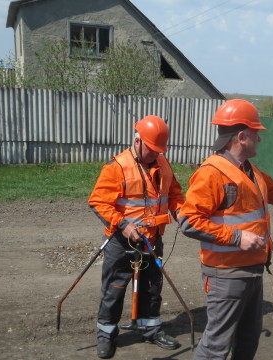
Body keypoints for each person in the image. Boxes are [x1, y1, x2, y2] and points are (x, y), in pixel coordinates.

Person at [178, 99, 273, 360]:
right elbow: (189, 221)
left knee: (248, 339)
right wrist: (237, 237)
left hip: (252, 270)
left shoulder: (249, 171)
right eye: (256, 133)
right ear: (241, 137)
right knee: (216, 346)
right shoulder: (211, 174)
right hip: (225, 274)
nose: (259, 139)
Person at [88, 115, 184, 358]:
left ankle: (150, 329)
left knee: (153, 286)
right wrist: (123, 224)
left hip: (153, 238)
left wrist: (181, 211)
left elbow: (174, 193)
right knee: (115, 288)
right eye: (151, 149)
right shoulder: (117, 167)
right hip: (122, 242)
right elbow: (98, 202)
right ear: (137, 140)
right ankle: (106, 335)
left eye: (159, 150)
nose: (155, 154)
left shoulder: (163, 163)